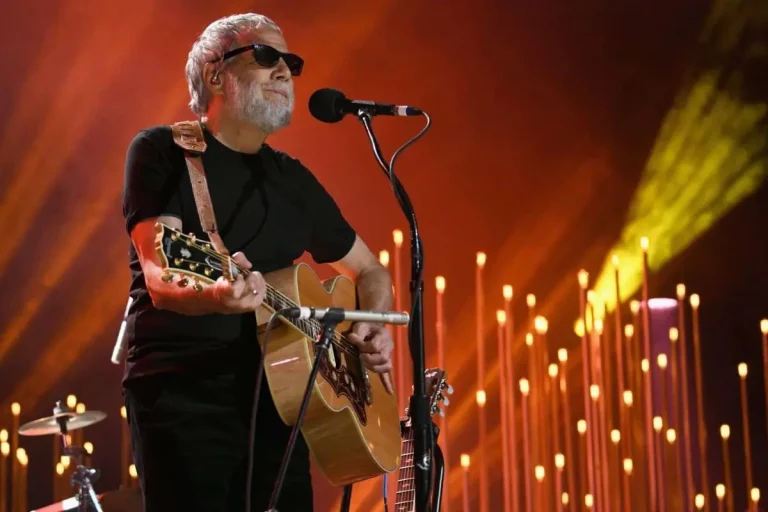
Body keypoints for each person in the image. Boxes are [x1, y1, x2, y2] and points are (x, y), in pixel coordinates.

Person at [120, 13, 395, 511]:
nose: (285, 71)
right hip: (186, 392)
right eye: (267, 57)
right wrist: (219, 296)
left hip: (283, 402)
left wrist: (374, 325)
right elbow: (160, 274)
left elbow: (372, 271)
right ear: (214, 74)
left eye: (291, 62)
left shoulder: (292, 179)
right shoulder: (162, 152)